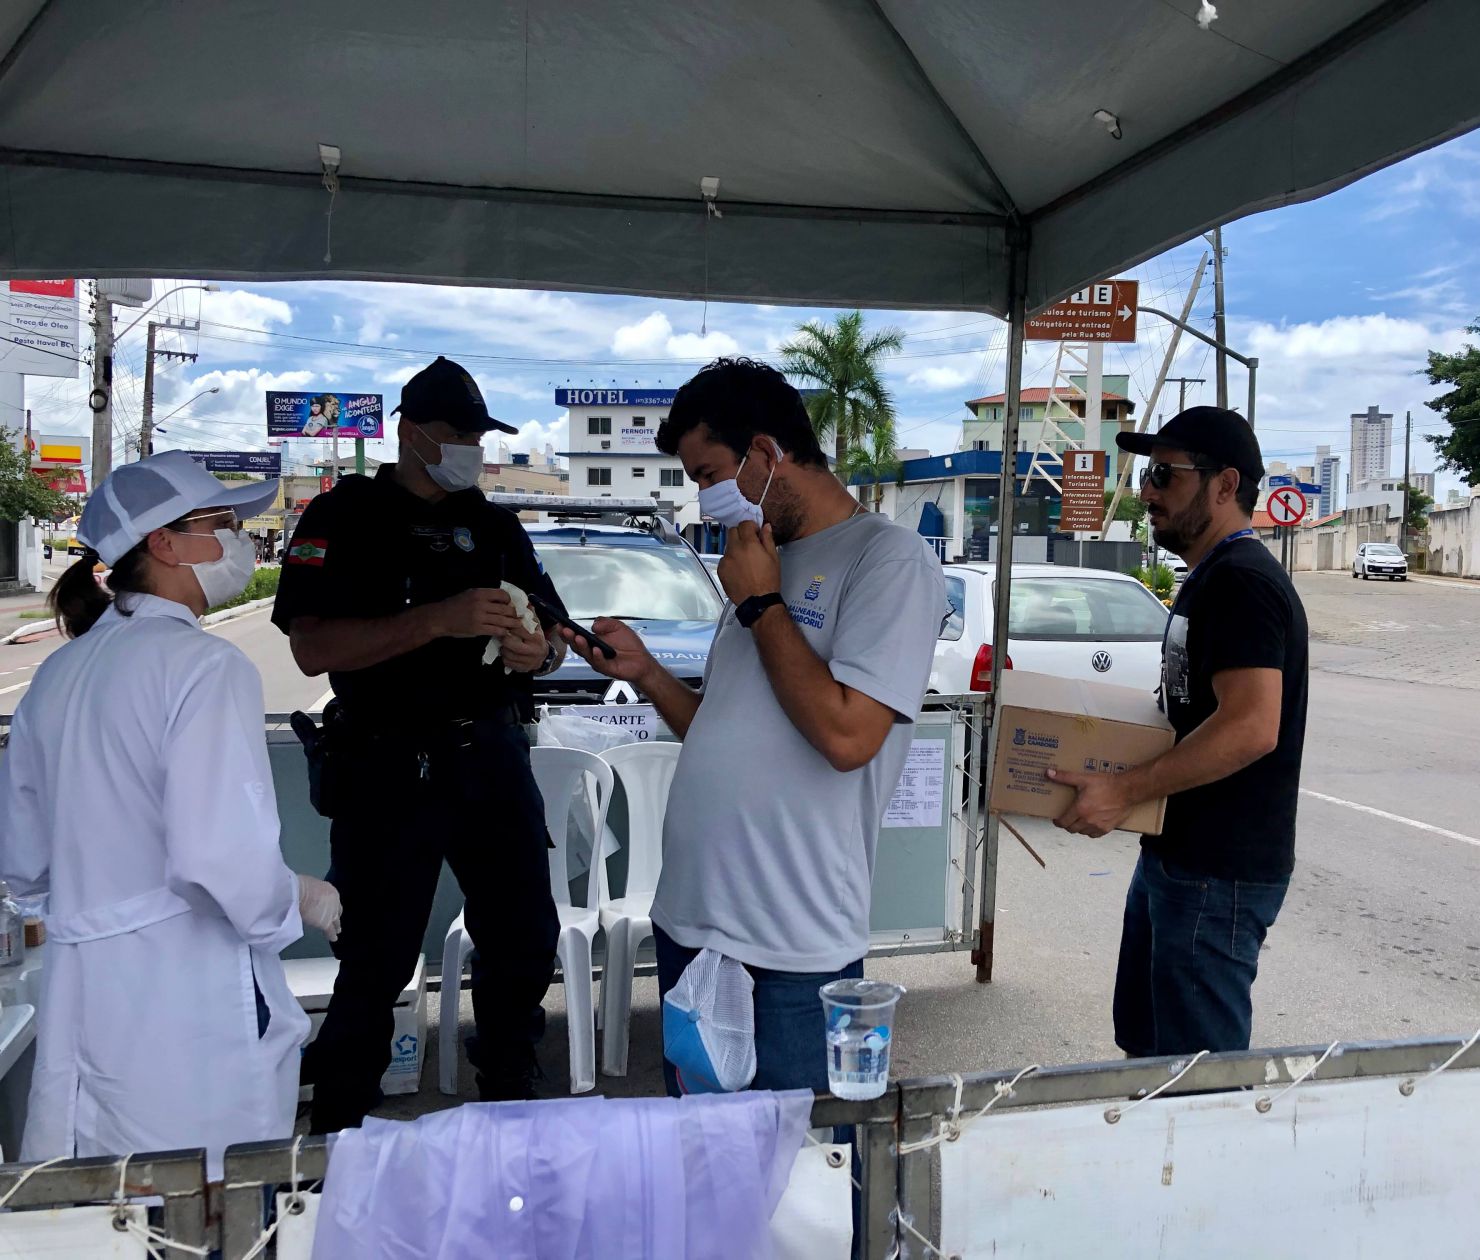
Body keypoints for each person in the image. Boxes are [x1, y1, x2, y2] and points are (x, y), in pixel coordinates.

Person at [561, 357, 946, 1095]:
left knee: (797, 1152)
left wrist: (763, 604)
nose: (705, 500)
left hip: (791, 944)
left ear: (766, 454)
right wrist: (648, 672)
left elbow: (848, 738)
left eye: (709, 475)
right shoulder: (759, 559)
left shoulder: (887, 560)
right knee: (702, 1142)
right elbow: (721, 726)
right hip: (692, 924)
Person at [0, 450, 342, 1179]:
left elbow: (24, 867)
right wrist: (302, 898)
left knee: (101, 1204)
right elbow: (219, 861)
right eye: (222, 524)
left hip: (80, 990)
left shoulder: (59, 672)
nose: (238, 540)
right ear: (163, 543)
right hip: (187, 998)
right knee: (207, 1198)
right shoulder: (204, 666)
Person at [273, 356, 570, 1131]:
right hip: (385, 762)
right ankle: (342, 1133)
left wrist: (538, 652)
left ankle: (510, 1106)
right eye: (456, 432)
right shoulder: (341, 518)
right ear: (410, 432)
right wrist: (438, 620)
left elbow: (553, 631)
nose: (470, 446)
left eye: (478, 434)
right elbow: (311, 648)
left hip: (489, 754)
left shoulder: (495, 526)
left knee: (524, 941)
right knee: (374, 957)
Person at [1049, 406, 1309, 1057]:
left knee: (1197, 1078)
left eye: (1165, 474)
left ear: (1225, 484)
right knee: (1147, 1047)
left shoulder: (1242, 582)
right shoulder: (1211, 577)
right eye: (1147, 474)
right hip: (1177, 856)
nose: (1147, 492)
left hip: (1216, 872)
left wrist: (1122, 790)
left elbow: (1251, 725)